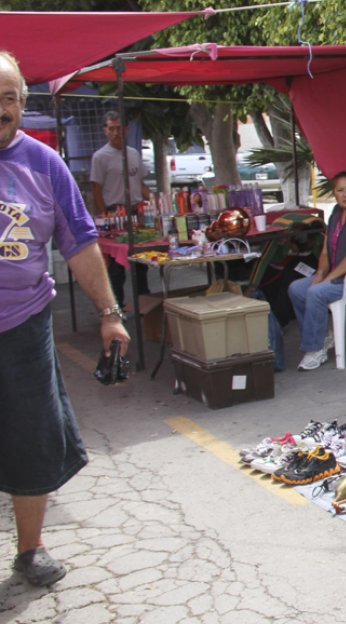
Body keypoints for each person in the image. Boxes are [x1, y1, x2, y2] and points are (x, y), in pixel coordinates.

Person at [0, 50, 130, 586]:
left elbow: (79, 243)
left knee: (32, 438)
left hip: (23, 326)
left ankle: (30, 551)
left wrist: (110, 313)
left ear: (22, 105)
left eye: (8, 98)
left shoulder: (44, 164)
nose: (0, 108)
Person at [288, 171, 346, 371]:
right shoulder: (335, 214)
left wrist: (329, 278)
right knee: (297, 288)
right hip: (339, 279)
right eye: (340, 190)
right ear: (334, 193)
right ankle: (322, 337)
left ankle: (314, 349)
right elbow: (325, 251)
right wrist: (321, 274)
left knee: (316, 291)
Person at [89, 110, 152, 306]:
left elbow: (140, 183)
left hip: (136, 211)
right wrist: (104, 215)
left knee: (141, 262)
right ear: (105, 131)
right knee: (116, 266)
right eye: (111, 129)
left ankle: (144, 302)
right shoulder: (100, 157)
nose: (115, 132)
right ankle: (117, 306)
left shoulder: (133, 154)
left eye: (118, 128)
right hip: (114, 212)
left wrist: (154, 200)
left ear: (125, 130)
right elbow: (96, 189)